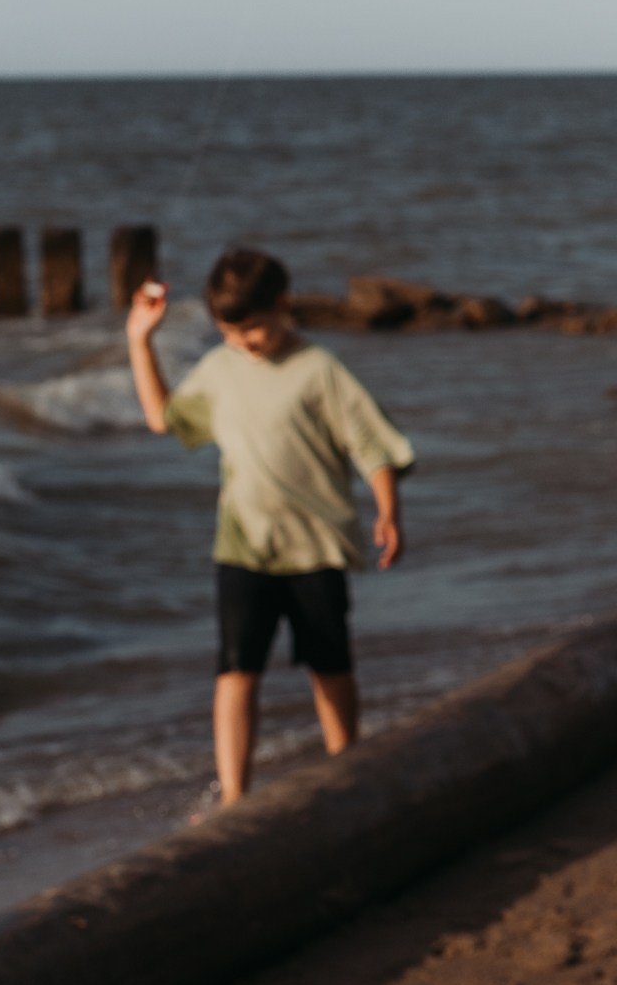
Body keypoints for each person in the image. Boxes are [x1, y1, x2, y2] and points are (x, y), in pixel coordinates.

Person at [126, 247, 416, 804]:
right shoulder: (219, 370)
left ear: (283, 304)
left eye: (253, 328)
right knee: (237, 670)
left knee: (330, 668)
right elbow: (163, 418)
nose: (244, 342)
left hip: (317, 547)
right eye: (230, 332)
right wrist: (140, 340)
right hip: (243, 547)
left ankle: (345, 770)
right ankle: (234, 795)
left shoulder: (320, 371)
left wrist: (389, 512)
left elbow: (373, 447)